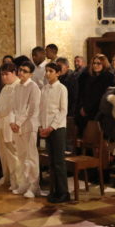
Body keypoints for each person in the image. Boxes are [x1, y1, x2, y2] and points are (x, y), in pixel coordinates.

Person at [11, 61, 42, 198]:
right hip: (17, 126)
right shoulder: (17, 86)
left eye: (24, 71)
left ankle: (34, 186)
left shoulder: (34, 87)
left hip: (29, 125)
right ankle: (23, 183)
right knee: (21, 155)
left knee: (31, 156)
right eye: (20, 70)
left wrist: (18, 122)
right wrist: (12, 121)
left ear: (30, 74)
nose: (21, 73)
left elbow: (32, 109)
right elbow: (13, 106)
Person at [40, 63, 70, 203]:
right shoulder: (44, 88)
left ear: (58, 73)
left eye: (51, 71)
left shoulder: (62, 89)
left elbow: (63, 111)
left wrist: (51, 127)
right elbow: (42, 109)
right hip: (46, 128)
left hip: (57, 129)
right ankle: (54, 190)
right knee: (51, 162)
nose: (47, 73)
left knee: (59, 162)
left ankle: (64, 192)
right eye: (46, 71)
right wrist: (42, 126)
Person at [0, 64, 21, 191]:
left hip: (9, 123)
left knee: (13, 155)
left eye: (6, 74)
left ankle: (16, 181)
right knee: (3, 154)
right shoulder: (5, 88)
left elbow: (10, 106)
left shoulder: (17, 86)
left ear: (14, 73)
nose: (3, 77)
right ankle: (6, 177)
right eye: (2, 74)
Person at [77, 53, 115, 134]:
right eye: (94, 63)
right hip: (85, 109)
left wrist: (88, 109)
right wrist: (82, 107)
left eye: (98, 63)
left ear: (104, 64)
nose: (95, 65)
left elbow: (101, 96)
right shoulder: (88, 77)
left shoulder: (108, 77)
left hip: (99, 111)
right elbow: (83, 93)